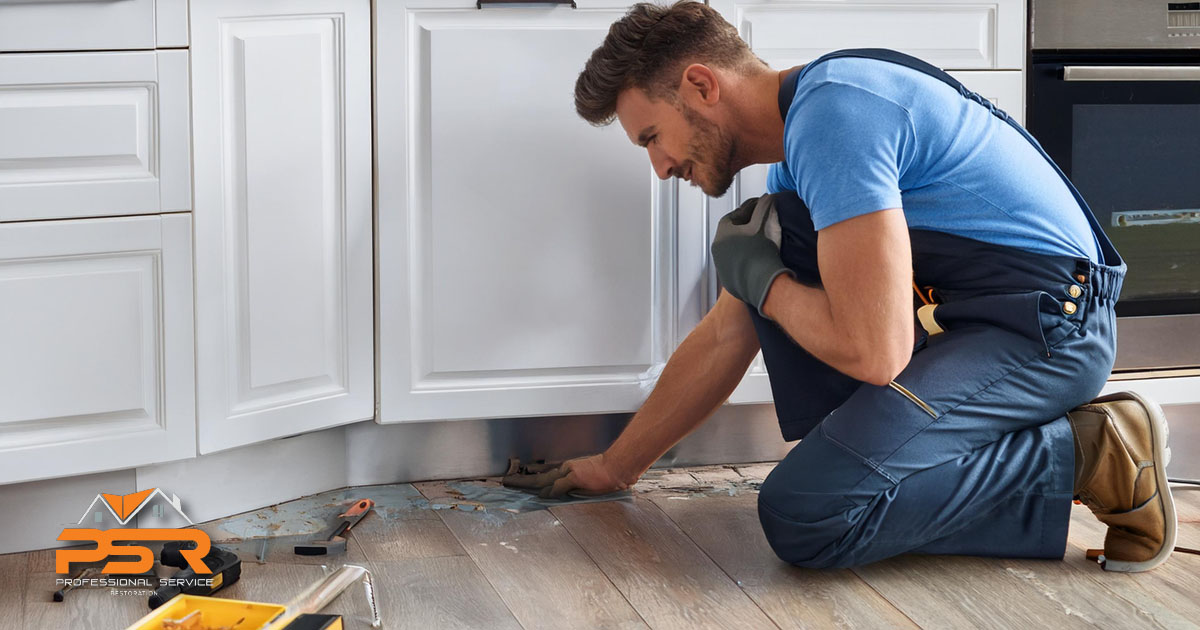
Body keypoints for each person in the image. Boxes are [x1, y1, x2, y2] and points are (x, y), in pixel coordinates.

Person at [519, 0, 1176, 572]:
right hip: (987, 319)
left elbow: (875, 354)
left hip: (1048, 330)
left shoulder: (835, 117)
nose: (660, 168)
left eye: (653, 137)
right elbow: (727, 331)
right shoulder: (807, 141)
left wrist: (768, 282)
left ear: (700, 85)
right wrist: (616, 466)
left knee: (810, 512)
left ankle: (1089, 452)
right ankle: (985, 448)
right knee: (781, 238)